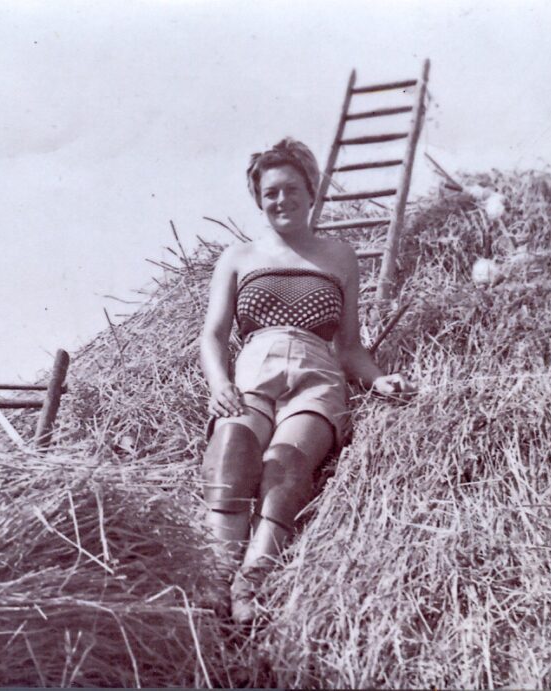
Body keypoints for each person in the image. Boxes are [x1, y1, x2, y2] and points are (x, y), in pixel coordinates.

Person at [199, 137, 415, 624]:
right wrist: (218, 383)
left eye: (291, 189)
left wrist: (378, 380)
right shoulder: (238, 257)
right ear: (259, 199)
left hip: (318, 375)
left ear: (311, 190)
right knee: (233, 446)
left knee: (287, 463)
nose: (281, 200)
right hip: (255, 367)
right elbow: (211, 335)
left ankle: (251, 582)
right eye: (270, 192)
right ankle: (215, 577)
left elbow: (351, 347)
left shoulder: (338, 256)